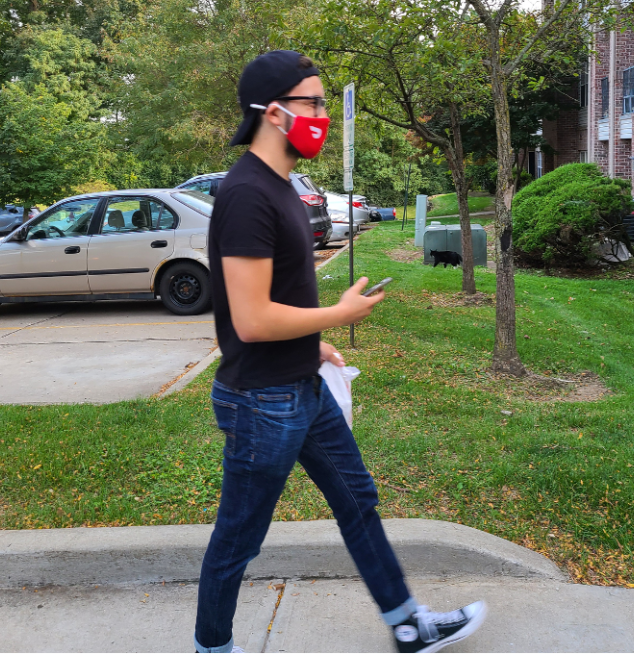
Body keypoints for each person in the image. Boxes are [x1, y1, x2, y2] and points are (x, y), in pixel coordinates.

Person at [194, 50, 487, 654]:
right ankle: (212, 648)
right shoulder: (247, 194)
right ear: (274, 114)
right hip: (262, 403)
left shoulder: (279, 187)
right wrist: (338, 315)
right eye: (314, 103)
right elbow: (249, 320)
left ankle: (408, 624)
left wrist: (315, 338)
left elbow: (274, 298)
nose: (322, 115)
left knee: (358, 500)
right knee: (238, 540)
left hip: (302, 382)